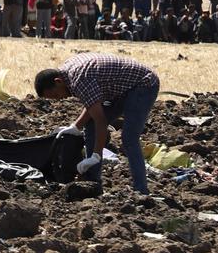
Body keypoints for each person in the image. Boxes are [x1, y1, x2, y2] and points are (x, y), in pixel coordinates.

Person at [34, 53, 159, 195]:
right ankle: (93, 183)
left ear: (58, 81)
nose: (60, 99)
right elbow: (92, 103)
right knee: (91, 124)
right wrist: (76, 126)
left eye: (56, 95)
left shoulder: (79, 80)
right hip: (118, 89)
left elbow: (101, 121)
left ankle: (141, 191)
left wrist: (96, 155)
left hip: (143, 84)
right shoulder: (66, 73)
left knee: (129, 138)